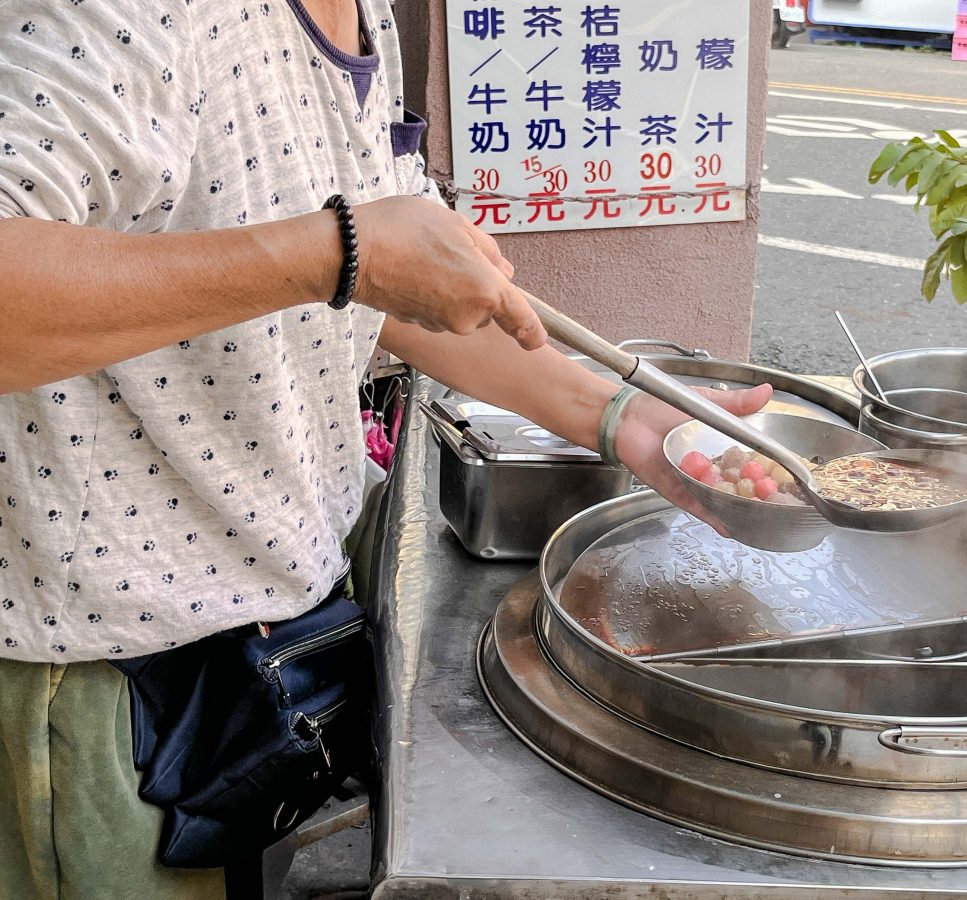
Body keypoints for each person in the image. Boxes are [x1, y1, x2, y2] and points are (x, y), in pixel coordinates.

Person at [0, 0, 769, 896]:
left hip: (258, 628)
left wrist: (629, 419)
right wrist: (338, 251)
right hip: (108, 678)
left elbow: (407, 298)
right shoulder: (136, 14)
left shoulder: (362, 16)